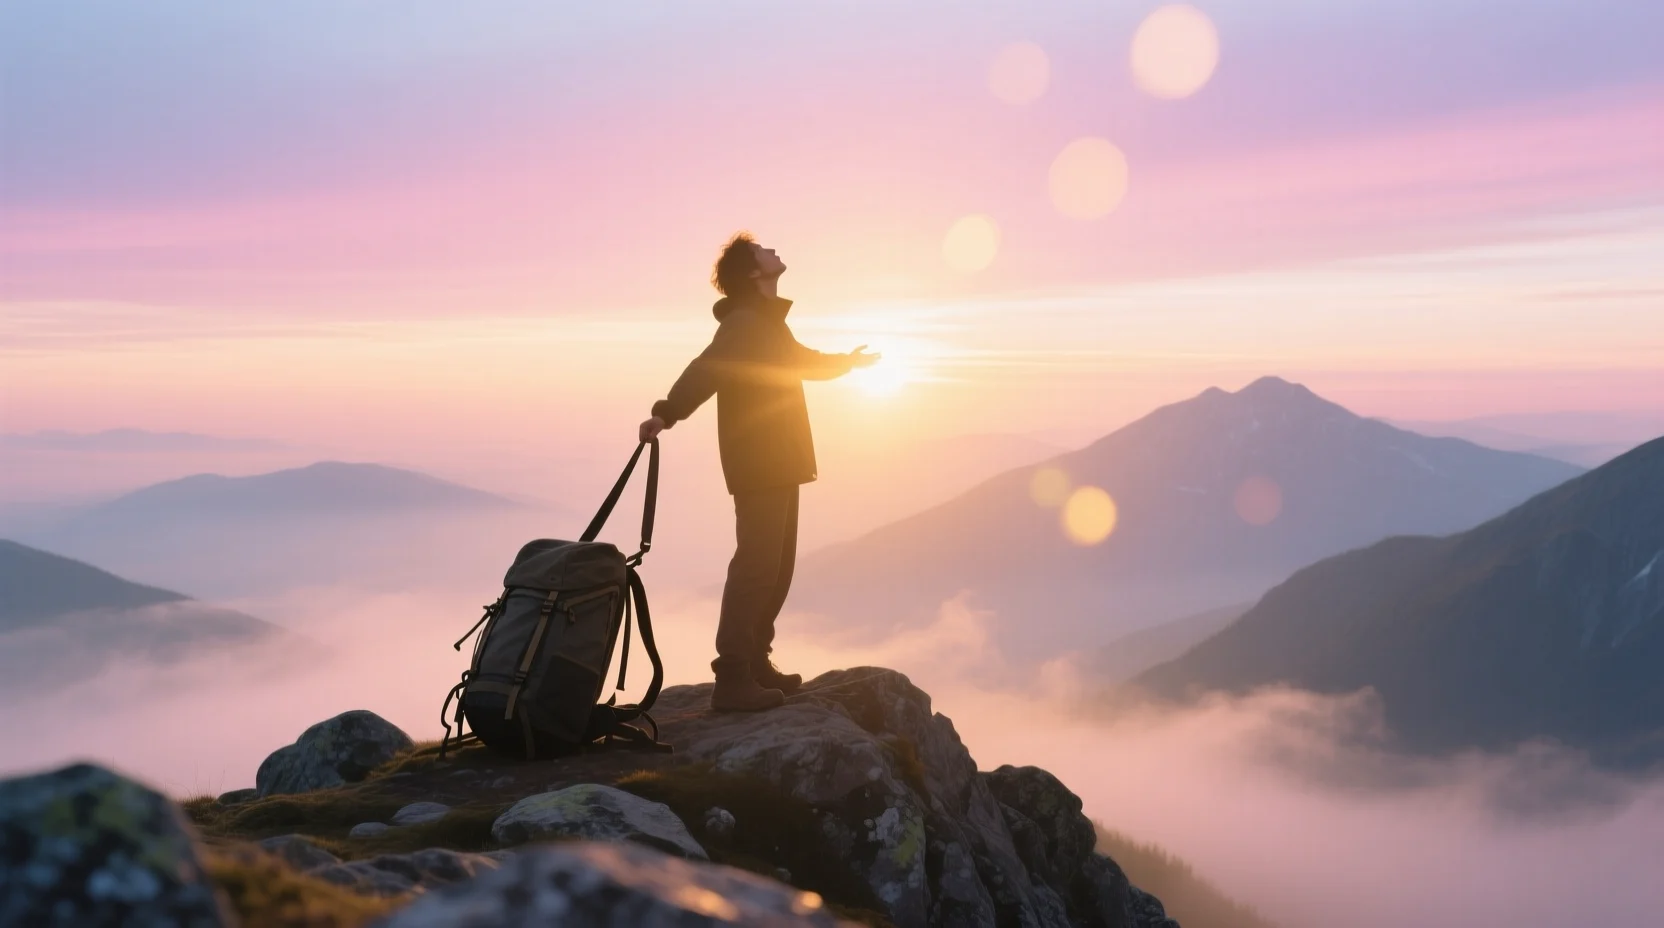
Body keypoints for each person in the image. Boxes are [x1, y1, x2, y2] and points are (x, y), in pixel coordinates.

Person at [639, 233, 878, 711]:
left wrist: (846, 364)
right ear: (753, 273)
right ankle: (731, 679)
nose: (774, 250)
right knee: (755, 566)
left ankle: (754, 661)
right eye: (764, 250)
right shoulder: (746, 323)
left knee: (776, 567)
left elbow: (802, 362)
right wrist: (666, 412)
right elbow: (705, 369)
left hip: (780, 459)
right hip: (760, 462)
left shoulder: (768, 325)